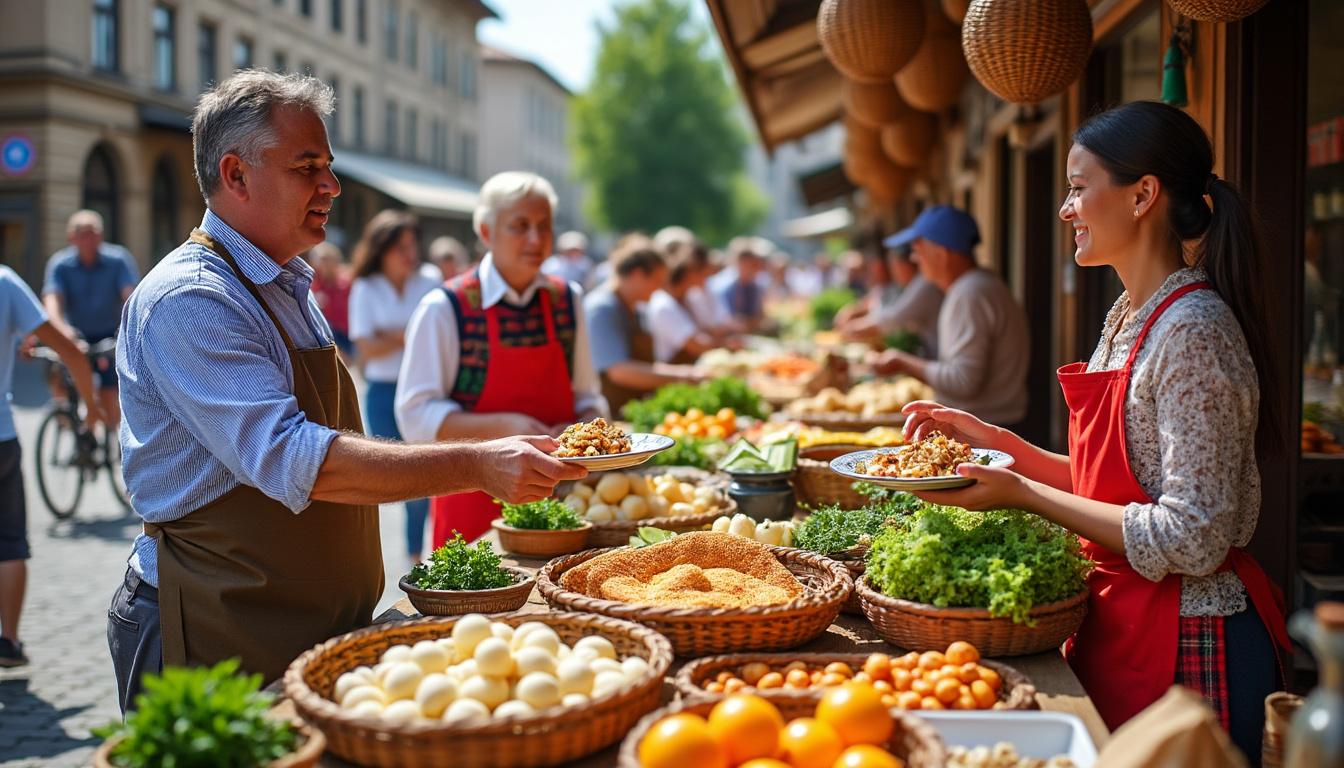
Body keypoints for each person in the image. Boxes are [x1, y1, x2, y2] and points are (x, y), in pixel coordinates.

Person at [107, 71, 584, 711]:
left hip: (300, 621)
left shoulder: (284, 285)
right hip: (217, 623)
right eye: (308, 167)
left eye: (328, 166)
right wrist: (474, 461)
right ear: (236, 175)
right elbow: (294, 457)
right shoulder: (193, 298)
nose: (331, 185)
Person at [901, 101, 1288, 761]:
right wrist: (1005, 447)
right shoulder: (1126, 317)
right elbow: (1116, 483)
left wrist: (1019, 490)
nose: (1066, 209)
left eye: (1079, 189)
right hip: (1121, 620)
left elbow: (1194, 537)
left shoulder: (1193, 332)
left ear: (1143, 195)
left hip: (1190, 648)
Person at [396, 172, 608, 547]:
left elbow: (589, 396)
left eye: (544, 226)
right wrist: (508, 425)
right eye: (519, 226)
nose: (535, 239)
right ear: (486, 231)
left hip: (560, 502)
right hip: (471, 501)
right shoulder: (445, 308)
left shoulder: (567, 300)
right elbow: (415, 416)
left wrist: (579, 429)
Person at [0, 269, 104, 667]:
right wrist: (90, 410)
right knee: (9, 543)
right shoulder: (7, 282)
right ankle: (8, 641)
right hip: (2, 437)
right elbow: (72, 352)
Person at [874, 206, 1029, 429]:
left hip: (990, 429)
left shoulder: (970, 292)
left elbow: (963, 382)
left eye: (919, 249)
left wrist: (902, 362)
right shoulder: (977, 285)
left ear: (942, 252)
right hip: (995, 425)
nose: (914, 258)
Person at [347, 210, 440, 565]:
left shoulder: (429, 280)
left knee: (425, 477)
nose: (409, 253)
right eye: (400, 246)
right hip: (383, 393)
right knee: (392, 479)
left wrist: (390, 335)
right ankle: (411, 558)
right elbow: (365, 348)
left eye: (411, 245)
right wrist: (411, 332)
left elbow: (437, 336)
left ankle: (419, 557)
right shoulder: (366, 286)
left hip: (423, 390)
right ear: (381, 250)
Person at [42, 209, 139, 431]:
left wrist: (129, 327)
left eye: (94, 233)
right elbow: (52, 301)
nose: (89, 239)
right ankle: (68, 420)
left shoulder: (118, 260)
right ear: (71, 238)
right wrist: (61, 329)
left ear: (101, 236)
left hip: (108, 334)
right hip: (74, 334)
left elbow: (130, 297)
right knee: (59, 376)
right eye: (82, 234)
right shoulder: (60, 264)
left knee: (108, 394)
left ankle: (111, 439)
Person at [585, 238, 700, 413]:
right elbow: (619, 371)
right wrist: (685, 375)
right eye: (657, 281)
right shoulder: (602, 308)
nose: (659, 289)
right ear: (638, 274)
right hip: (610, 415)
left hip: (631, 407)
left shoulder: (635, 308)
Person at [840, 246, 942, 356]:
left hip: (937, 356)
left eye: (894, 266)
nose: (894, 272)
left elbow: (894, 317)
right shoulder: (909, 285)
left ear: (905, 266)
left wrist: (851, 329)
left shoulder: (923, 283)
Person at [648, 242, 726, 363]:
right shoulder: (663, 305)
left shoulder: (691, 297)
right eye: (704, 272)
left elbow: (712, 329)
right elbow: (696, 346)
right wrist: (727, 345)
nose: (708, 278)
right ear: (690, 271)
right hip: (675, 372)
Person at [709, 236, 770, 333]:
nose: (758, 269)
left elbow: (759, 316)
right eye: (753, 264)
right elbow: (725, 322)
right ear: (741, 263)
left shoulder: (754, 286)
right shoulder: (722, 286)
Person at [306, 242, 353, 359]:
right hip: (327, 338)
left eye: (328, 259)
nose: (325, 264)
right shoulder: (311, 287)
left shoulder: (347, 284)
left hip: (349, 336)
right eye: (321, 260)